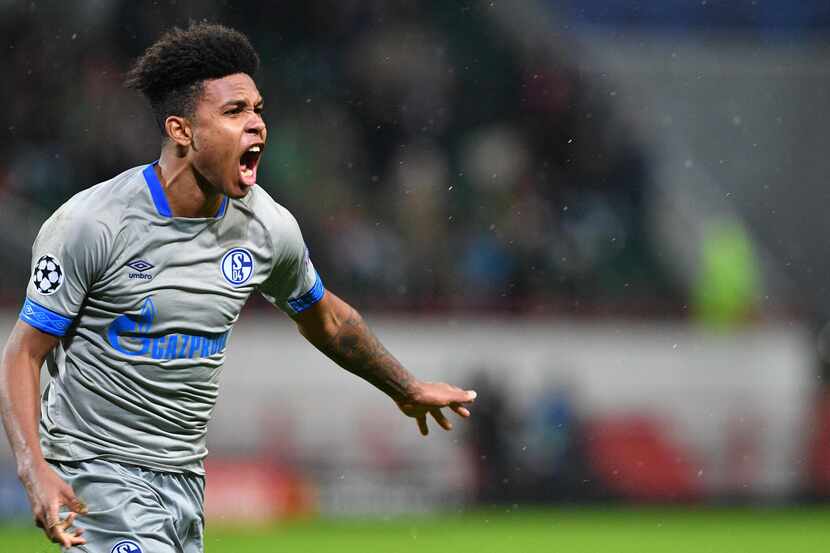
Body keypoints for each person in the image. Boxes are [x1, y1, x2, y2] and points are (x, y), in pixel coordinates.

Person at [0, 23, 476, 552]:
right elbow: (24, 351)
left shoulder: (266, 227)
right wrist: (33, 466)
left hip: (185, 481)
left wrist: (404, 387)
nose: (256, 126)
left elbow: (327, 318)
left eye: (257, 109)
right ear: (181, 131)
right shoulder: (93, 224)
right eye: (234, 113)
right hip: (98, 474)